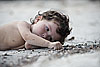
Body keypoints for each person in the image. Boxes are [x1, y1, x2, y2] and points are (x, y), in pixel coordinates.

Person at [0, 10, 71, 50]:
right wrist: (49, 44)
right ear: (38, 19)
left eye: (50, 38)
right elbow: (27, 37)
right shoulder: (23, 24)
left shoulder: (33, 40)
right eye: (47, 29)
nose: (44, 36)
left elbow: (28, 45)